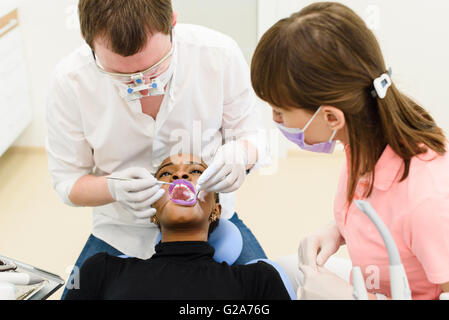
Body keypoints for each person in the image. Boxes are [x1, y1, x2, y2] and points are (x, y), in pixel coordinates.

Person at [46, 0, 269, 299]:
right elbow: (67, 182)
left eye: (154, 68)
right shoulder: (69, 83)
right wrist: (111, 188)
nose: (142, 83)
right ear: (88, 43)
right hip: (119, 230)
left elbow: (251, 132)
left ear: (173, 22)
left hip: (215, 229)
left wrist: (242, 154)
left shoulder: (219, 55)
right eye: (123, 76)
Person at [251, 2, 449, 300]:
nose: (275, 121)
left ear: (331, 117)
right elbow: (384, 214)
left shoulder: (427, 197)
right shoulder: (362, 146)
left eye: (280, 112)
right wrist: (339, 230)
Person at [64, 154, 290, 300]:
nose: (179, 175)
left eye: (196, 172)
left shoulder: (259, 279)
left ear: (216, 211)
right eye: (166, 174)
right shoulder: (102, 270)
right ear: (153, 207)